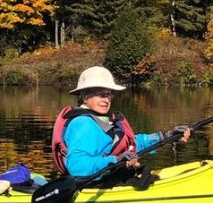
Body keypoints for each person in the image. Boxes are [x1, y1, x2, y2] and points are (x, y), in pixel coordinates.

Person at [51, 66, 191, 178]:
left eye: (108, 94)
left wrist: (166, 136)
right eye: (101, 94)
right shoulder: (84, 124)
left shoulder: (102, 120)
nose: (106, 100)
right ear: (85, 97)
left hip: (108, 178)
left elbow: (130, 144)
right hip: (94, 185)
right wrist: (116, 160)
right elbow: (77, 166)